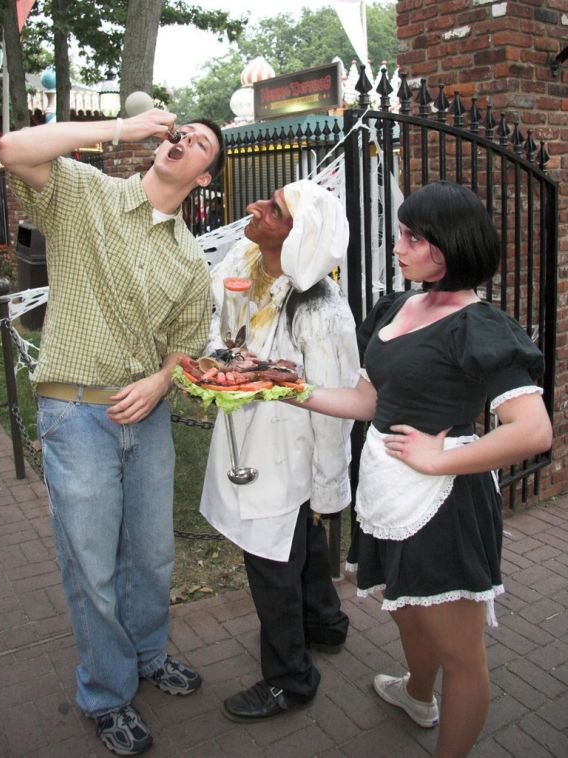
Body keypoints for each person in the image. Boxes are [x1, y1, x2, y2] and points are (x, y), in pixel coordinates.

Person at [295, 181, 553, 757]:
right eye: (401, 233)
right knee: (408, 610)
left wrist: (442, 457)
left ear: (448, 244)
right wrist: (288, 390)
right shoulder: (396, 307)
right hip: (387, 491)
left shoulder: (479, 326)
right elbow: (368, 403)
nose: (398, 246)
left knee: (461, 656)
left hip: (444, 505)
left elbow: (533, 430)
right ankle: (416, 695)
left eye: (412, 236)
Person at [0, 110, 225, 756]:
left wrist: (160, 382)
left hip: (146, 418)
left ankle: (148, 654)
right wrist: (123, 127)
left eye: (201, 144)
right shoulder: (85, 195)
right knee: (91, 564)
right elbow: (14, 149)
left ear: (204, 176)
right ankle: (105, 692)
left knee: (151, 557)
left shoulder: (189, 258)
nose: (184, 140)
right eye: (182, 132)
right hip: (76, 414)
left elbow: (185, 346)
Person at [199, 180, 360, 722]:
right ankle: (324, 624)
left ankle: (290, 679)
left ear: (299, 238)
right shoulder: (245, 260)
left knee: (271, 559)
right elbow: (220, 323)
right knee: (301, 540)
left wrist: (328, 489)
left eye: (273, 210)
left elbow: (335, 410)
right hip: (251, 440)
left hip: (285, 456)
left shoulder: (321, 313)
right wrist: (218, 361)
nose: (254, 208)